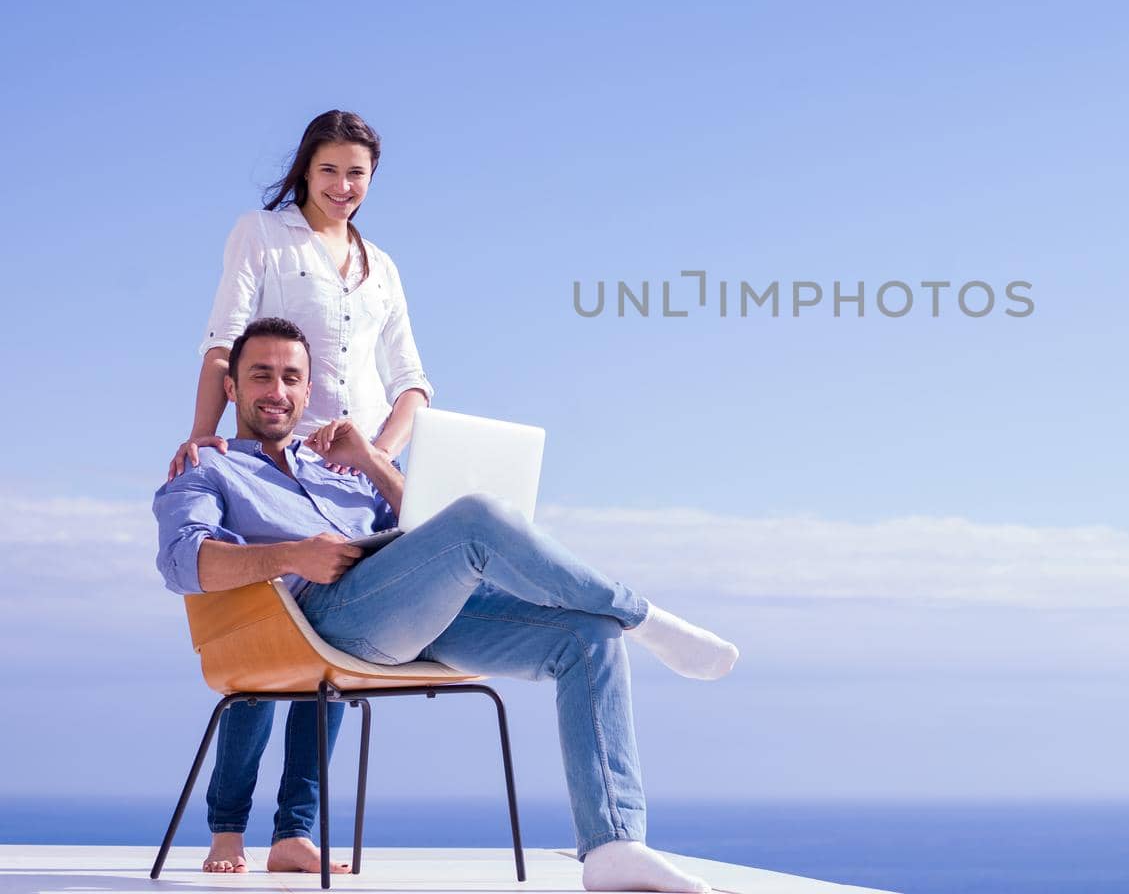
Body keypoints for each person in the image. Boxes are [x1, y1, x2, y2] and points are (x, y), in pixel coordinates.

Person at [155, 317, 736, 894]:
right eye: (261, 376)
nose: (277, 392)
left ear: (310, 390)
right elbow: (183, 562)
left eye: (291, 378)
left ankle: (613, 846)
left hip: (416, 612)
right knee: (480, 514)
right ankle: (645, 616)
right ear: (231, 388)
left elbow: (432, 528)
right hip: (325, 621)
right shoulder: (207, 466)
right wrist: (295, 555)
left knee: (589, 637)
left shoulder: (344, 467)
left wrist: (373, 462)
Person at [166, 110, 433, 874]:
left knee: (340, 647)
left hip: (355, 481)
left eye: (357, 174)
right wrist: (204, 434)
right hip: (272, 463)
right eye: (329, 170)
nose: (343, 187)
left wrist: (377, 454)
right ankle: (226, 827)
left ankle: (296, 830)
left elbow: (412, 381)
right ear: (305, 170)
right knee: (261, 635)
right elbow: (224, 343)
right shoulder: (263, 234)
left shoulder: (381, 264)